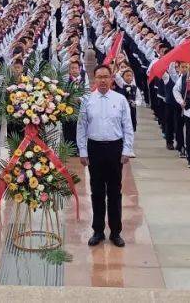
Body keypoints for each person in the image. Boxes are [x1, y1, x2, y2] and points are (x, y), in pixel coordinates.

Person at [77, 64, 134, 248]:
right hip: (95, 148)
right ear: (94, 80)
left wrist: (127, 150)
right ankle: (98, 230)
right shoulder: (87, 100)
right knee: (97, 192)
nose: (102, 80)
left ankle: (116, 231)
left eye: (106, 77)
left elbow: (128, 127)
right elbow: (81, 127)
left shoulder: (120, 99)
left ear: (111, 79)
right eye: (99, 77)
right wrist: (83, 151)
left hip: (115, 149)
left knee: (115, 192)